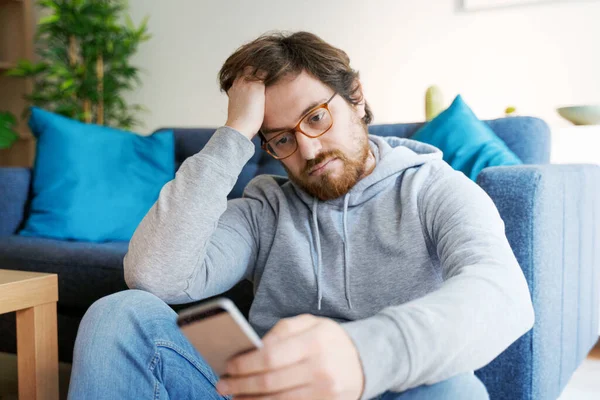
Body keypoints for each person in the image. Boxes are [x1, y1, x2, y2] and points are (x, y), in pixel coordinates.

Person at [67, 31, 534, 400]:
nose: (307, 149)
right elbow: (156, 276)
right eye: (282, 139)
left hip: (385, 388)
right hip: (264, 394)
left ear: (355, 97)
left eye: (315, 118)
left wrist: (360, 355)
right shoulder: (264, 207)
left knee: (455, 390)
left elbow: (504, 295)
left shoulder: (433, 188)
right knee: (120, 313)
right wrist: (234, 133)